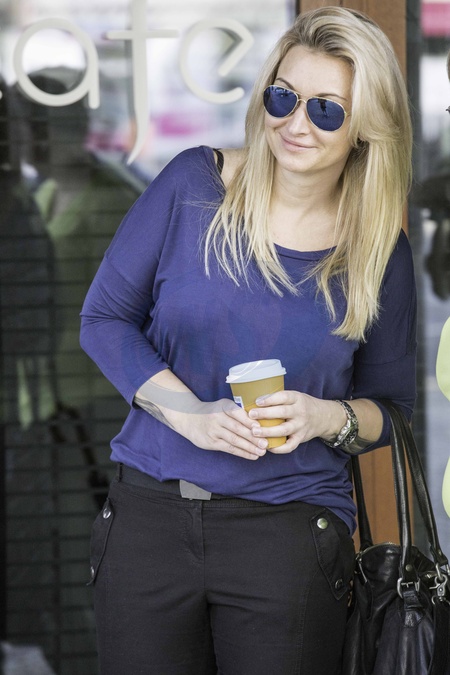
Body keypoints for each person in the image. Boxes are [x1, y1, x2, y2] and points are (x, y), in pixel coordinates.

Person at [80, 6, 417, 675]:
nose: (295, 123)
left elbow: (392, 409)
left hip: (288, 537)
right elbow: (104, 320)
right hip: (150, 519)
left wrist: (324, 417)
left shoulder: (380, 250)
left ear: (365, 129)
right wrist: (191, 415)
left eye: (327, 110)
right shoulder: (192, 185)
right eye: (283, 97)